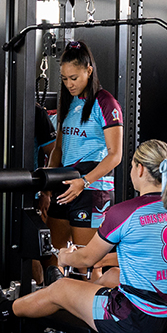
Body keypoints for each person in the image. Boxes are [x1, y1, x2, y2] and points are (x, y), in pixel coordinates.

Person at [0, 140, 167, 333]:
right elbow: (150, 255)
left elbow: (85, 259)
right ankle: (70, 300)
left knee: (59, 289)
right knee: (113, 276)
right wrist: (104, 260)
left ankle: (1, 309)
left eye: (131, 166)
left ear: (140, 169)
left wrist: (64, 257)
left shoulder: (124, 212)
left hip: (136, 319)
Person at [43, 40, 123, 258]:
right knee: (54, 255)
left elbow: (115, 155)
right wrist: (47, 188)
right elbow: (58, 149)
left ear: (89, 70)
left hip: (92, 189)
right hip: (65, 185)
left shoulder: (105, 102)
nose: (69, 84)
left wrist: (85, 181)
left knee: (86, 262)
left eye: (74, 78)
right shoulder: (68, 102)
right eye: (64, 78)